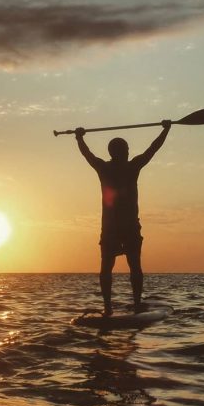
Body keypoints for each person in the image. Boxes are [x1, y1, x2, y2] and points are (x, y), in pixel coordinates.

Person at [74, 120, 172, 316]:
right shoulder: (130, 167)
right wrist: (166, 130)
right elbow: (153, 149)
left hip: (115, 228)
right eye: (125, 149)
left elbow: (87, 154)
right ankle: (128, 304)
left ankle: (111, 306)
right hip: (124, 227)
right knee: (130, 266)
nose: (127, 151)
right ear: (119, 152)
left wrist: (79, 138)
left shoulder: (107, 168)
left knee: (113, 267)